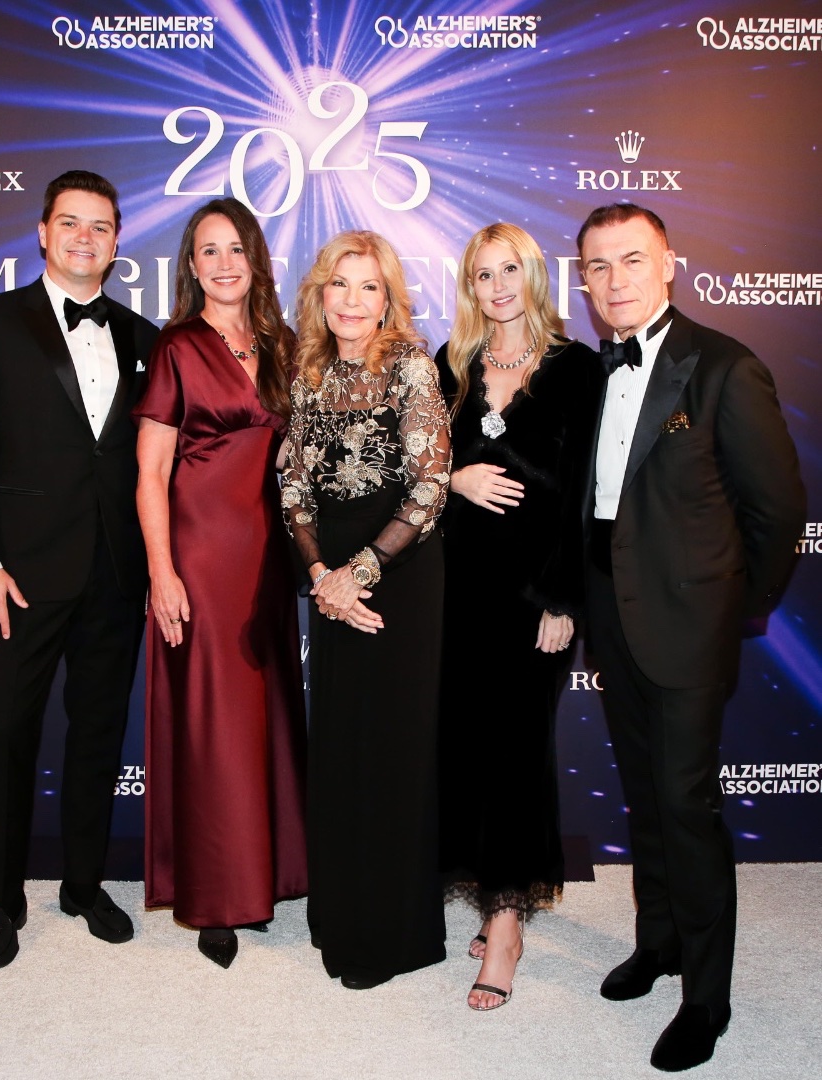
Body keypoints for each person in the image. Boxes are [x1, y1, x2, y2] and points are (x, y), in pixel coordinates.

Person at [578, 203, 804, 1071]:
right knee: (645, 797)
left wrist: (733, 611)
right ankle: (659, 943)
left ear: (670, 263)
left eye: (632, 259)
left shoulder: (724, 368)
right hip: (612, 617)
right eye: (598, 266)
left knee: (686, 807)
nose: (616, 280)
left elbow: (777, 512)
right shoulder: (594, 369)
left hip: (689, 627)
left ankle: (707, 999)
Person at [0, 170, 159, 968]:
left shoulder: (144, 336)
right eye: (70, 223)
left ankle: (84, 884)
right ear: (42, 232)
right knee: (7, 735)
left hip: (115, 573)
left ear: (117, 241)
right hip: (18, 575)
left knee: (98, 734)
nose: (84, 238)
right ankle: (3, 900)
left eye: (100, 226)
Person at [133, 197, 307, 969]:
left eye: (236, 248)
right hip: (200, 560)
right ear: (192, 266)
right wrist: (162, 571)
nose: (225, 263)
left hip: (267, 561)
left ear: (255, 258)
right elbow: (150, 473)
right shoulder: (177, 346)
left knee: (262, 721)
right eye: (209, 250)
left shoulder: (283, 345)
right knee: (212, 730)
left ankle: (263, 875)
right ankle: (215, 898)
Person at [435, 223, 603, 1011]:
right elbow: (417, 465)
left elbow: (586, 492)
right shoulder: (454, 364)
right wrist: (456, 479)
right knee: (468, 748)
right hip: (456, 591)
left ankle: (506, 926)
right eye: (483, 274)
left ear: (534, 276)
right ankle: (489, 892)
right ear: (469, 285)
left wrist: (565, 599)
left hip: (534, 597)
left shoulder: (576, 368)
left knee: (516, 752)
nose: (497, 287)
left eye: (510, 271)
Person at [281, 230, 451, 990]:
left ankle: (392, 935)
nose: (352, 300)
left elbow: (430, 486)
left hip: (399, 576)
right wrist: (323, 574)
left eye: (369, 286)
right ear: (321, 294)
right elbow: (292, 485)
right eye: (339, 285)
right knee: (342, 747)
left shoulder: (410, 366)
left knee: (392, 750)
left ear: (388, 299)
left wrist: (361, 572)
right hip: (331, 583)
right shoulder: (309, 370)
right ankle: (341, 914)